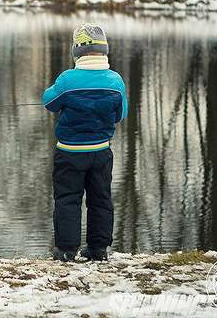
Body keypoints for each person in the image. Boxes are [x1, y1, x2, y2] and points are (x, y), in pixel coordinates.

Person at [42, 24, 128, 262]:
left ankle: (67, 250)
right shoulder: (116, 81)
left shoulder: (68, 80)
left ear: (76, 51)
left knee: (68, 199)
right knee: (101, 199)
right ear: (105, 50)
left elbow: (49, 102)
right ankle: (98, 250)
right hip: (101, 152)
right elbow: (121, 114)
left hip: (70, 152)